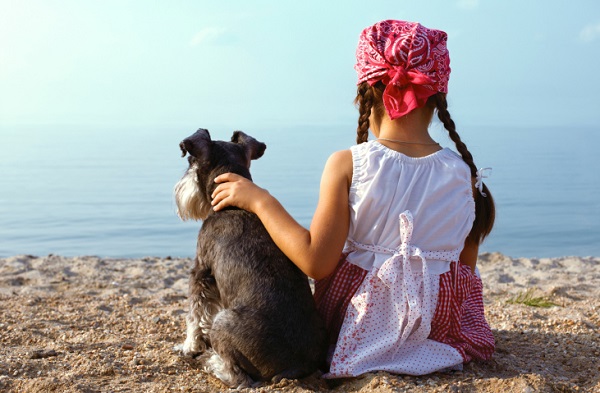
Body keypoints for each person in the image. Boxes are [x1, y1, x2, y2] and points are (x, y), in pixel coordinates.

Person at [210, 19, 496, 378]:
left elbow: (316, 262)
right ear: (437, 98)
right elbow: (463, 271)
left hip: (356, 328)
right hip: (436, 329)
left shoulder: (349, 163)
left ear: (366, 94)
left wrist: (260, 201)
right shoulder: (462, 173)